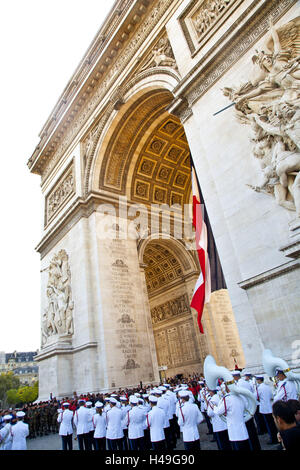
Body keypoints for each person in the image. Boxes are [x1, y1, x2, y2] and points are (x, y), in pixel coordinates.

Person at [215, 382, 251, 450]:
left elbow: (218, 411)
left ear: (227, 388)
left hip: (234, 432)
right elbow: (246, 407)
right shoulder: (240, 397)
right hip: (243, 429)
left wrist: (214, 407)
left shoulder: (227, 399)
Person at [256, 375, 278, 444]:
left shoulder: (259, 388)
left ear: (259, 380)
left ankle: (273, 439)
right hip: (270, 407)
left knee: (269, 425)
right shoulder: (267, 387)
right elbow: (271, 396)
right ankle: (275, 438)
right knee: (272, 424)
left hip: (264, 409)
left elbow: (256, 397)